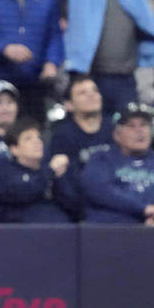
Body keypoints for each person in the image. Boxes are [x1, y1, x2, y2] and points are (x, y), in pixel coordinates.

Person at [79, 103, 154, 225]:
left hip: (153, 232)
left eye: (144, 125)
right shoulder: (100, 159)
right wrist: (143, 209)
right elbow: (100, 192)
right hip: (109, 231)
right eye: (131, 126)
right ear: (117, 135)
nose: (139, 131)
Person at [49, 75, 114, 222]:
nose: (91, 95)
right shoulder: (62, 135)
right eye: (82, 93)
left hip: (119, 203)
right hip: (83, 210)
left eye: (94, 91)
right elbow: (64, 185)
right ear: (69, 105)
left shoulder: (115, 130)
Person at [0, 118, 70, 223]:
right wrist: (50, 171)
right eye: (28, 139)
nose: (37, 142)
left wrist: (60, 179)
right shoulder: (4, 171)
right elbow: (22, 193)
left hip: (62, 229)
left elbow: (71, 202)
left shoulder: (51, 168)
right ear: (14, 149)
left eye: (38, 138)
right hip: (23, 232)